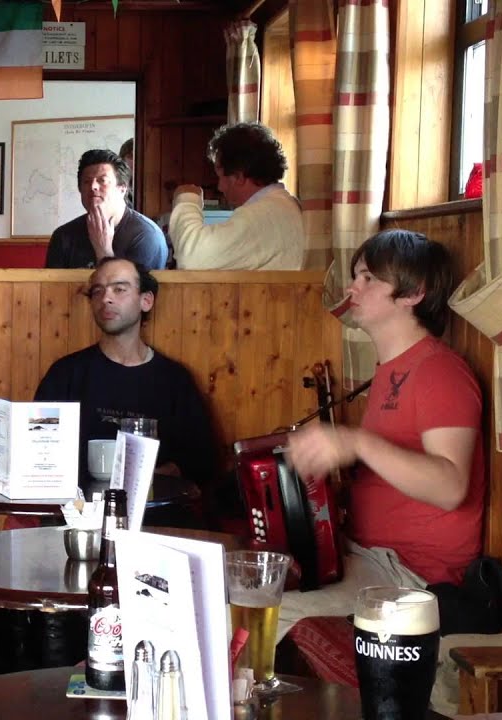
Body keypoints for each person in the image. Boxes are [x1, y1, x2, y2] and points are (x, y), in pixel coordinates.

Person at [277, 229, 484, 639]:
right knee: (245, 580)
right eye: (356, 275)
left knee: (273, 610)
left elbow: (450, 486)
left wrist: (355, 442)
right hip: (366, 555)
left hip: (411, 573)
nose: (353, 287)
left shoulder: (440, 372)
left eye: (369, 278)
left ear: (413, 294)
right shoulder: (395, 368)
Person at [34, 257, 217, 497]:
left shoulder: (174, 380)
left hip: (155, 517)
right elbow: (36, 447)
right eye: (97, 291)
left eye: (119, 289)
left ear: (146, 301)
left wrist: (154, 478)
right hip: (77, 514)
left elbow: (202, 461)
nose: (105, 298)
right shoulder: (66, 374)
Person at [168, 122, 308, 270]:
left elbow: (192, 258)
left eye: (221, 177)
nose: (220, 187)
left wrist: (187, 199)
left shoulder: (263, 215)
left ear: (239, 177)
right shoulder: (281, 206)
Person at [45, 150, 167, 270]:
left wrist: (103, 251)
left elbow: (135, 289)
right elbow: (51, 288)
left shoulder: (146, 235)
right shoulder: (63, 235)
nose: (93, 187)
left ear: (122, 189)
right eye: (87, 182)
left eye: (102, 180)